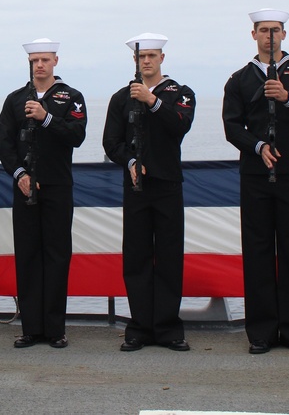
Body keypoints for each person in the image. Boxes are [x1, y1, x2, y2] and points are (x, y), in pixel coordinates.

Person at [222, 9, 289, 355]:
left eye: (276, 30)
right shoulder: (239, 79)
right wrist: (258, 146)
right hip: (255, 176)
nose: (270, 36)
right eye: (264, 30)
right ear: (253, 35)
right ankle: (262, 332)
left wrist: (287, 98)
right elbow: (232, 127)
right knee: (258, 251)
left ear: (284, 34)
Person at [102, 33, 195, 352]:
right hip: (136, 187)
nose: (146, 61)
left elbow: (179, 126)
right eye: (141, 57)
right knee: (137, 257)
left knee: (169, 257)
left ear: (161, 59)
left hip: (168, 184)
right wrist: (128, 160)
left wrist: (152, 102)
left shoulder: (179, 93)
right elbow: (110, 142)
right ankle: (139, 327)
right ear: (135, 61)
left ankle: (169, 328)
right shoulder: (120, 97)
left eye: (152, 56)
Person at [0, 38, 86, 349]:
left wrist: (46, 117)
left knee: (57, 257)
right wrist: (19, 174)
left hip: (58, 186)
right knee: (28, 256)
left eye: (45, 60)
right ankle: (30, 328)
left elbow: (77, 136)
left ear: (55, 62)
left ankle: (55, 329)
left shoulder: (70, 98)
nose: (39, 65)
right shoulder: (14, 99)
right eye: (35, 60)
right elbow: (4, 147)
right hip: (25, 188)